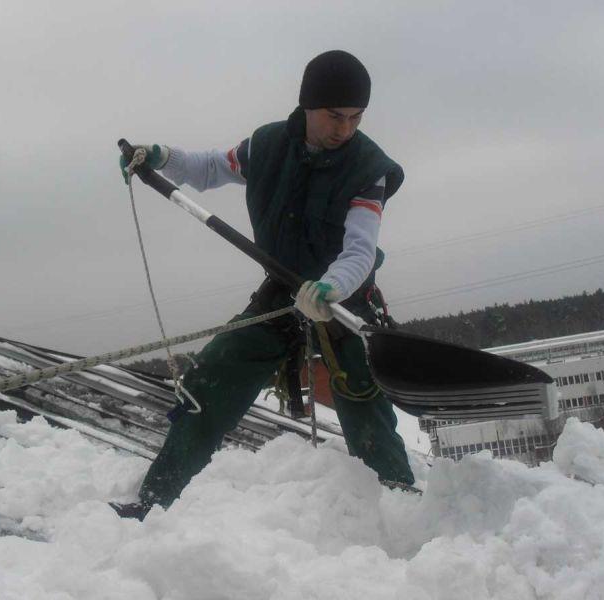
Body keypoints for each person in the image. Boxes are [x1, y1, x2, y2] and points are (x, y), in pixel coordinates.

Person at [114, 50, 414, 520]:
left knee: (363, 403)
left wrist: (330, 289)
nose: (345, 129)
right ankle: (152, 504)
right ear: (307, 106)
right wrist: (162, 158)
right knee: (212, 380)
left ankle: (405, 514)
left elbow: (359, 249)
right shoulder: (265, 146)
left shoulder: (368, 169)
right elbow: (211, 167)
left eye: (356, 118)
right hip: (282, 290)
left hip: (344, 298)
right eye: (335, 116)